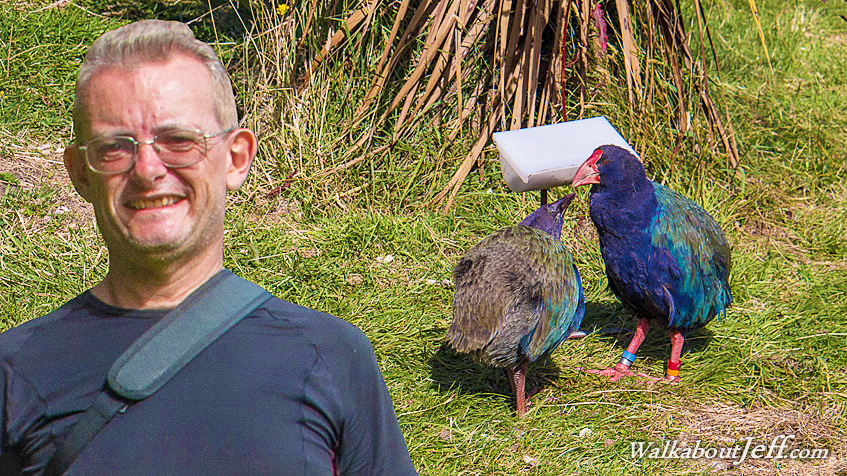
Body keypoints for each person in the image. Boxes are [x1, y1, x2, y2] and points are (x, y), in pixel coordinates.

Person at [0, 20, 416, 475]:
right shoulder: (16, 370)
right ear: (80, 171)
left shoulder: (331, 355)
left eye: (179, 141)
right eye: (114, 148)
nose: (147, 169)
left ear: (236, 158)